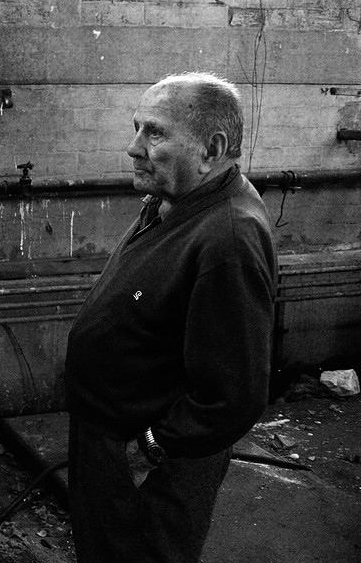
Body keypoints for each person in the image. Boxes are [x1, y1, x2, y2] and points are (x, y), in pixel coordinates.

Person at [64, 72, 277, 563]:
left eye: (154, 133)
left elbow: (233, 396)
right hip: (109, 437)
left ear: (212, 148)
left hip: (146, 460)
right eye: (137, 127)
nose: (134, 148)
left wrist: (149, 450)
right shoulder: (176, 201)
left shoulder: (227, 238)